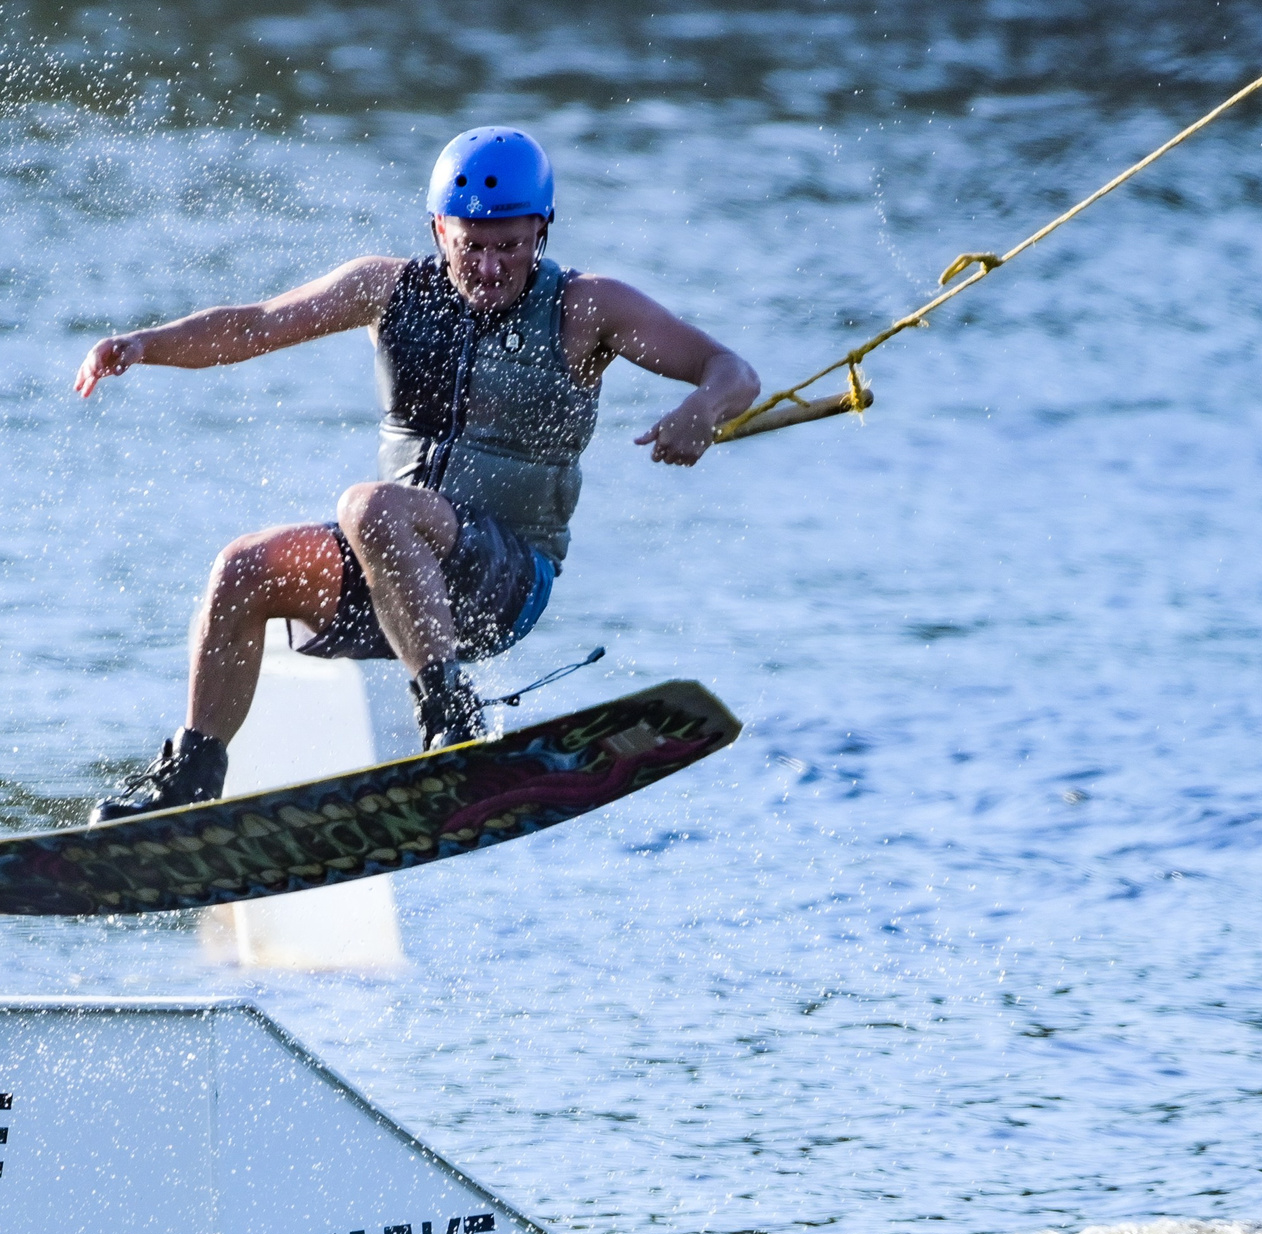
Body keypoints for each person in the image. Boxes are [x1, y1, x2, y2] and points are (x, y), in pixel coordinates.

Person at [72, 126, 758, 823]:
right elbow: (254, 325)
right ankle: (190, 777)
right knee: (243, 568)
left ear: (541, 232)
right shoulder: (387, 290)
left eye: (510, 248)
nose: (490, 268)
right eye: (472, 246)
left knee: (371, 507)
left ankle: (450, 718)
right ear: (438, 229)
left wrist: (702, 411)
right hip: (395, 573)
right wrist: (142, 345)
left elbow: (732, 371)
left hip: (507, 576)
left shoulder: (587, 309)